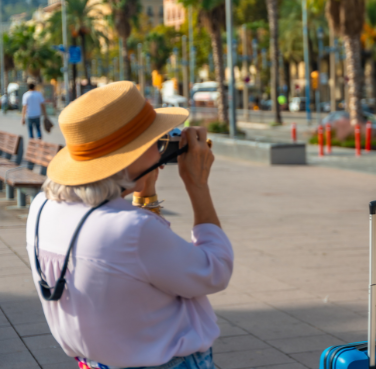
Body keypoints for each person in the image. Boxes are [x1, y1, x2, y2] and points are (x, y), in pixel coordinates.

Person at [26, 81, 233, 369]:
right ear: (130, 156)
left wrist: (144, 191)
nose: (161, 148)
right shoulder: (133, 230)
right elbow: (215, 271)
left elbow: (132, 264)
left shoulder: (41, 208)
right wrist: (197, 186)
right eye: (155, 141)